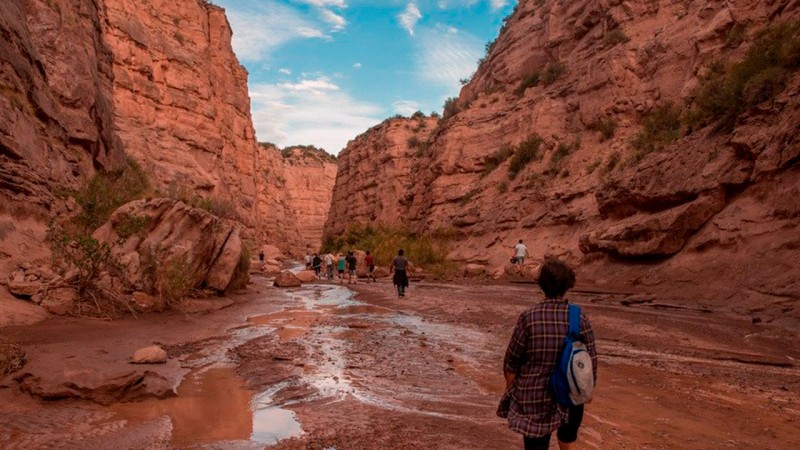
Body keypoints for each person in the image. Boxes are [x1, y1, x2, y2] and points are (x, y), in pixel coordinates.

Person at [498, 258, 597, 450]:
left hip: (534, 396)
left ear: (541, 285)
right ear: (568, 284)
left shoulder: (529, 317)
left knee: (536, 445)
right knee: (568, 440)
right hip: (571, 392)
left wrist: (511, 389)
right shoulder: (579, 317)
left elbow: (512, 361)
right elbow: (590, 358)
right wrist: (589, 389)